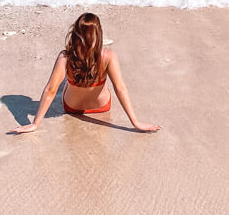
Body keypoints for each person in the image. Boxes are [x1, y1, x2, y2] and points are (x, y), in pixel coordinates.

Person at [14, 11, 160, 133]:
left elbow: (50, 91)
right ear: (99, 34)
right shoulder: (108, 56)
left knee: (64, 83)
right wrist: (136, 122)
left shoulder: (65, 57)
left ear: (75, 34)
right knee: (106, 83)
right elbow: (120, 88)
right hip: (101, 107)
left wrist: (35, 124)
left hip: (72, 108)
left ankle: (73, 81)